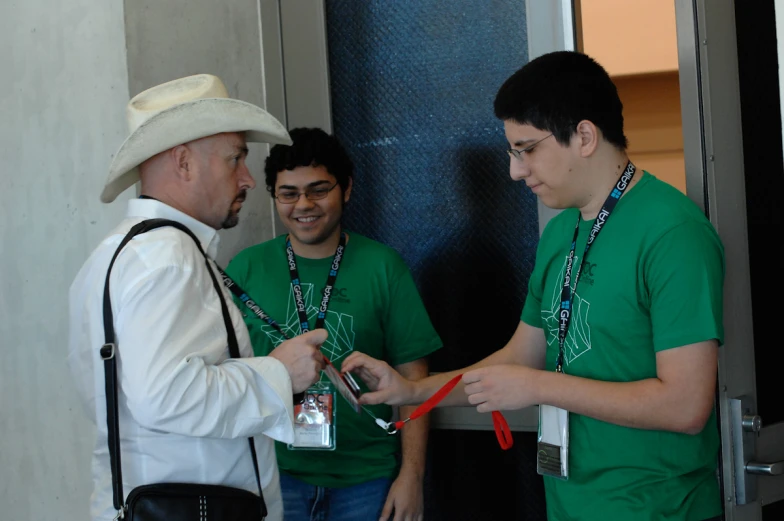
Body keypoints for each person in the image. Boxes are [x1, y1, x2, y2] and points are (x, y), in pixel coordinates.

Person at [342, 51, 725, 521]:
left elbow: (685, 406)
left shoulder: (672, 232)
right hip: (569, 506)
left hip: (660, 510)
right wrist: (415, 391)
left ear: (584, 136)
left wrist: (541, 386)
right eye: (511, 152)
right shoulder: (561, 232)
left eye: (526, 149)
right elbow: (521, 357)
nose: (515, 171)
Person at [67, 74, 328, 521]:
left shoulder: (113, 255)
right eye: (235, 159)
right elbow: (164, 397)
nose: (247, 179)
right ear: (184, 162)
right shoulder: (168, 258)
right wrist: (279, 372)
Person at [225, 127, 442, 521]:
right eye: (288, 192)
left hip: (367, 478)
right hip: (273, 474)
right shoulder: (246, 268)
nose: (303, 204)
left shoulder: (383, 267)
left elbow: (415, 377)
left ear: (346, 189)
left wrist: (412, 476)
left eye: (318, 189)